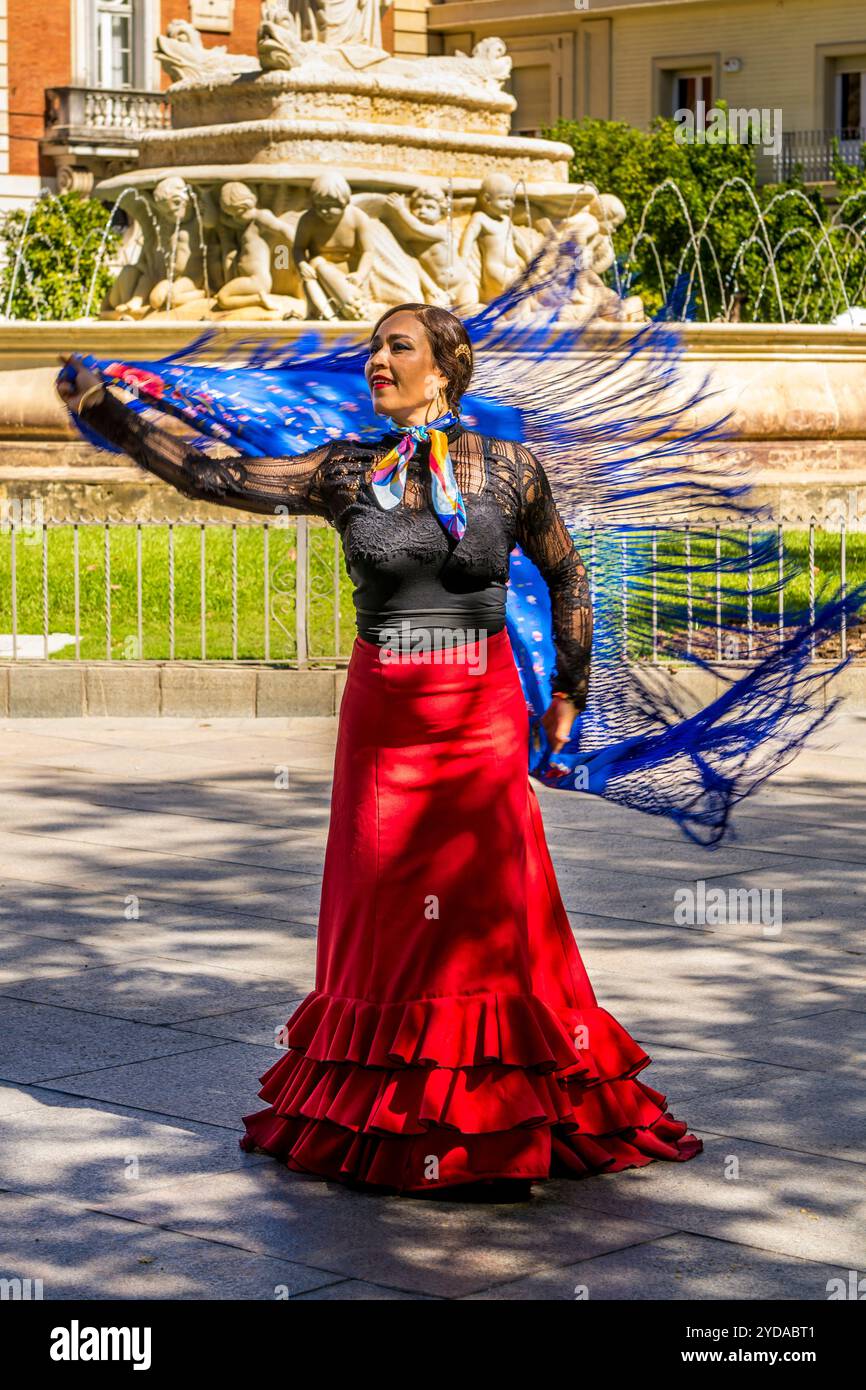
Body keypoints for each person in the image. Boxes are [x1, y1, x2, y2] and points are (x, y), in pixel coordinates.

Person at [56, 302, 704, 1200]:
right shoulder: (342, 469)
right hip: (383, 715)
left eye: (397, 347)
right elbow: (215, 478)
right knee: (389, 908)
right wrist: (117, 419)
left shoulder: (509, 469)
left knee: (482, 909)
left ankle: (492, 1123)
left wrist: (569, 692)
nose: (376, 360)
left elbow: (568, 572)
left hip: (476, 708)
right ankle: (392, 1117)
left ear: (444, 368)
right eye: (372, 347)